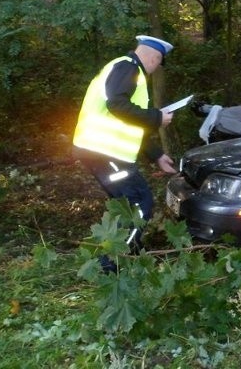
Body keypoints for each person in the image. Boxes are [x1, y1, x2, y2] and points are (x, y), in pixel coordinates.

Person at [72, 35, 178, 271]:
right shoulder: (127, 68)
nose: (156, 69)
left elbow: (128, 123)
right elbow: (117, 105)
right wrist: (157, 117)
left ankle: (124, 254)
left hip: (101, 151)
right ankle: (112, 264)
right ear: (154, 57)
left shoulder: (124, 68)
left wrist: (156, 155)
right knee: (139, 203)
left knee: (124, 205)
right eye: (158, 63)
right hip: (103, 151)